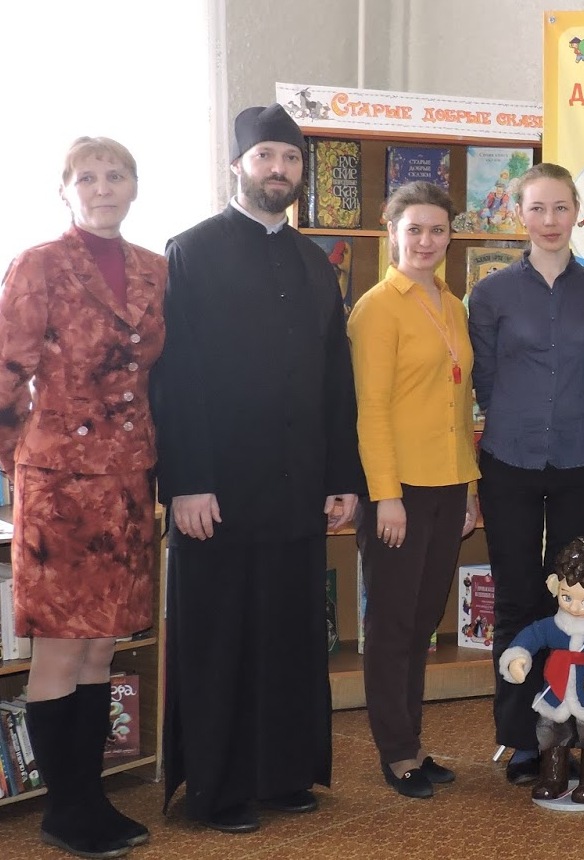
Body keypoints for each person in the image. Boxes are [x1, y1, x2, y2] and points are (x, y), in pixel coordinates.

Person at [154, 104, 363, 833]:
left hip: (298, 487)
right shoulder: (191, 251)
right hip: (217, 490)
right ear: (237, 165)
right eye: (266, 156)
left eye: (291, 158)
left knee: (290, 635)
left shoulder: (315, 263)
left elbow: (336, 380)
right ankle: (218, 790)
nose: (279, 169)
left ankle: (282, 774)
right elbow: (176, 376)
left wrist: (343, 477)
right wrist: (187, 481)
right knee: (222, 640)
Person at [0, 137, 165, 858]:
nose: (103, 187)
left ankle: (91, 798)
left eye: (116, 175)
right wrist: (22, 468)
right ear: (65, 191)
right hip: (60, 486)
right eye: (88, 177)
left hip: (127, 483)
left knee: (102, 648)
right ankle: (64, 810)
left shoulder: (155, 269)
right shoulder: (38, 264)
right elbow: (6, 372)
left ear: (135, 186)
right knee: (61, 653)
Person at [467, 162, 584, 786]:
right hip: (509, 460)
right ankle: (522, 739)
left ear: (577, 212)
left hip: (581, 461)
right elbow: (483, 379)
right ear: (519, 215)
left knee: (575, 603)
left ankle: (573, 729)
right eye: (537, 208)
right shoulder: (491, 295)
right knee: (516, 597)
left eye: (561, 208)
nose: (550, 220)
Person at [347, 181, 479, 799]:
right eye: (415, 229)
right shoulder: (377, 308)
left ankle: (415, 742)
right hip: (398, 489)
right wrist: (386, 495)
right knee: (393, 624)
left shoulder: (452, 302)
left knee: (424, 620)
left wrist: (469, 487)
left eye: (437, 230)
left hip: (449, 482)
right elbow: (370, 409)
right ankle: (396, 750)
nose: (427, 241)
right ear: (392, 232)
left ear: (450, 236)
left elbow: (459, 402)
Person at [498, 538, 584, 804]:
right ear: (556, 587)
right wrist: (518, 658)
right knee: (551, 735)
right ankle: (553, 778)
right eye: (567, 597)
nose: (575, 607)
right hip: (554, 695)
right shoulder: (552, 626)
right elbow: (531, 636)